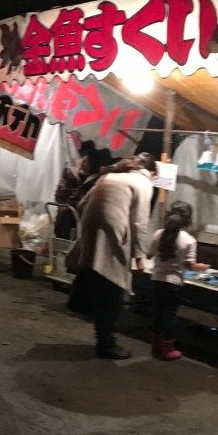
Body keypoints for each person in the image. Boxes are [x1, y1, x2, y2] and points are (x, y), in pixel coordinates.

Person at [66, 153, 155, 359]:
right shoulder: (142, 182)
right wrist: (140, 255)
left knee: (98, 281)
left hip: (91, 230)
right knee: (112, 289)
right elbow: (140, 222)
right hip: (112, 235)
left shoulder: (111, 175)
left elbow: (81, 204)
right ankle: (107, 344)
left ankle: (103, 337)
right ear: (150, 171)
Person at [147, 201, 210, 361]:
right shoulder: (189, 240)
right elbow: (190, 266)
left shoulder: (158, 233)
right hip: (174, 283)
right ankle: (167, 349)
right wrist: (202, 267)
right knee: (169, 315)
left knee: (157, 313)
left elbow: (149, 255)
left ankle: (155, 346)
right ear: (188, 220)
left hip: (156, 280)